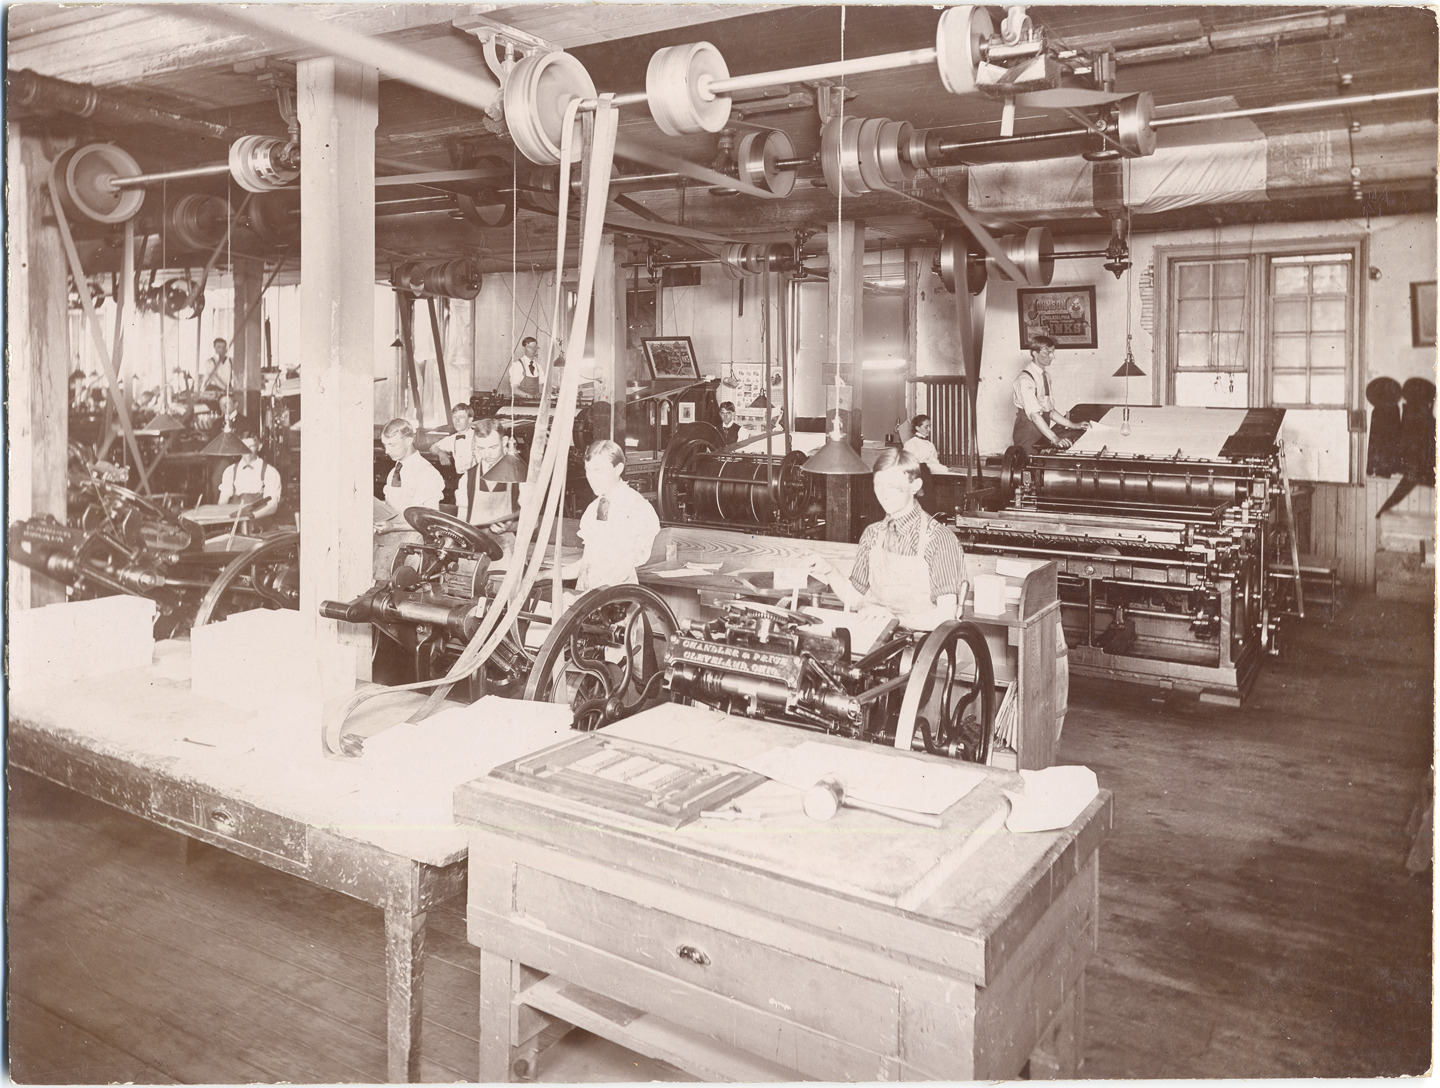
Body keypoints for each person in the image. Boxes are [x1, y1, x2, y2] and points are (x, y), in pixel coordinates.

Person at [808, 448, 967, 632]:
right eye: (878, 485)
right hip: (877, 636)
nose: (884, 494)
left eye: (892, 486)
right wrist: (829, 571)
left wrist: (896, 620)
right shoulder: (873, 534)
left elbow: (946, 617)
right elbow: (855, 599)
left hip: (921, 642)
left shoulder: (939, 539)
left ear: (915, 486)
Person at [565, 439, 660, 592]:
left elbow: (621, 572)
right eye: (588, 470)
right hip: (588, 597)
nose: (592, 478)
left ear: (618, 469)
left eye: (598, 471)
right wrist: (543, 575)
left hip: (617, 599)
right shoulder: (593, 509)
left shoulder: (636, 507)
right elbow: (587, 563)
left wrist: (584, 599)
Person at [375, 418, 445, 577]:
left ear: (408, 441)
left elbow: (431, 522)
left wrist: (393, 526)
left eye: (392, 445)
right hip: (388, 544)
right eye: (385, 445)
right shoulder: (394, 471)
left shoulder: (426, 472)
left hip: (412, 548)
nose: (386, 451)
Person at [1012, 333, 1092, 454]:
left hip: (1042, 428)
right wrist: (1055, 439)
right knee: (1029, 463)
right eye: (1047, 353)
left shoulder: (1045, 376)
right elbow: (1034, 415)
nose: (1052, 356)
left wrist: (1074, 425)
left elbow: (1049, 411)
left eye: (1053, 352)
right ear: (1035, 353)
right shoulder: (1024, 380)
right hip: (1028, 431)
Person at [216, 426, 282, 520]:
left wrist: (250, 517)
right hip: (235, 524)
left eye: (251, 446)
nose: (246, 451)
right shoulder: (230, 471)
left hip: (259, 524)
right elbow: (222, 502)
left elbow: (272, 506)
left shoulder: (270, 472)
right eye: (243, 447)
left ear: (259, 446)